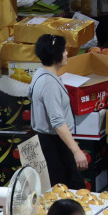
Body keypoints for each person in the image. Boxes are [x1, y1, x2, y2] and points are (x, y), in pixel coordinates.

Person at [31, 35, 87, 187]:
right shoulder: (49, 83)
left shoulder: (40, 74)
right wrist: (76, 151)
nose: (67, 53)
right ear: (55, 56)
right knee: (70, 190)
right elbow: (57, 121)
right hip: (54, 145)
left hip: (49, 141)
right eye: (63, 50)